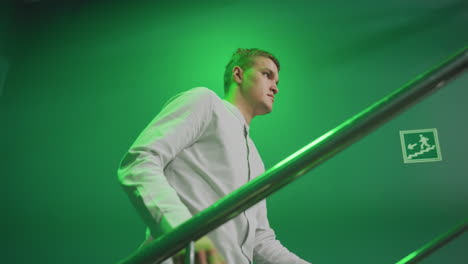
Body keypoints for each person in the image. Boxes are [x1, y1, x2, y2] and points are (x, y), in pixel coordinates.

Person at [118, 48, 311, 264]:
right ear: (238, 75)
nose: (275, 87)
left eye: (277, 81)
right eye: (267, 74)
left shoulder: (256, 160)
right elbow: (140, 162)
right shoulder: (206, 103)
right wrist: (191, 246)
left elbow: (260, 241)